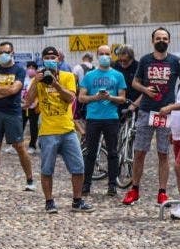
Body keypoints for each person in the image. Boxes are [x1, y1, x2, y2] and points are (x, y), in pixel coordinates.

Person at [25, 46, 91, 213]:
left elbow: (70, 98)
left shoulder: (68, 76)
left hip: (68, 130)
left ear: (58, 59)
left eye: (53, 57)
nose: (50, 60)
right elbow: (28, 101)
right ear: (42, 60)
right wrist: (36, 83)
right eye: (47, 57)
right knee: (47, 169)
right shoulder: (37, 80)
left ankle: (77, 201)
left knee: (78, 167)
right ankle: (49, 202)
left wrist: (55, 84)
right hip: (47, 132)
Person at [124, 27, 180, 206]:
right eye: (158, 38)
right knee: (140, 152)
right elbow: (135, 82)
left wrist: (173, 104)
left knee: (163, 153)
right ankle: (134, 189)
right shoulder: (146, 60)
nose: (161, 41)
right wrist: (145, 90)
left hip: (166, 112)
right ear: (152, 40)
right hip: (146, 111)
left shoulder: (175, 61)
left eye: (164, 38)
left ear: (169, 41)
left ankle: (162, 192)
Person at [0, 41, 35, 192]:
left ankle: (30, 179)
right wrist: (4, 91)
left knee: (19, 146)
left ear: (12, 53)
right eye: (1, 52)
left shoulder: (18, 70)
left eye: (6, 52)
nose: (3, 55)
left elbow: (14, 89)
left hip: (13, 113)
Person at [78, 45, 127, 196]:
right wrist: (96, 98)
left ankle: (112, 185)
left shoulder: (118, 75)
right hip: (93, 119)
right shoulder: (89, 75)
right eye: (101, 54)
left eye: (107, 54)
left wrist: (110, 97)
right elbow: (81, 97)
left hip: (111, 119)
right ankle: (86, 184)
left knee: (113, 153)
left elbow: (122, 98)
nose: (104, 56)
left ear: (111, 55)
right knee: (90, 153)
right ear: (97, 55)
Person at [112, 44, 140, 114]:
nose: (122, 63)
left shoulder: (139, 67)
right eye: (120, 60)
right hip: (118, 104)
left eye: (125, 61)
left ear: (131, 58)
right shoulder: (116, 66)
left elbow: (145, 90)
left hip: (135, 104)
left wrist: (135, 105)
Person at [21, 61, 41, 152]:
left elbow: (39, 94)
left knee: (33, 126)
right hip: (23, 106)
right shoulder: (23, 79)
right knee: (20, 125)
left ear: (36, 70)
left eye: (33, 68)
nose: (31, 70)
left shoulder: (37, 80)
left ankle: (32, 146)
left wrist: (36, 103)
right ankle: (16, 144)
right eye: (29, 68)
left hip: (33, 106)